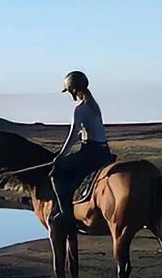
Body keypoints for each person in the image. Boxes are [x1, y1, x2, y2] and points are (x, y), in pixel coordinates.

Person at [49, 71, 114, 225]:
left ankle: (65, 213)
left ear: (72, 90)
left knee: (56, 173)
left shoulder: (80, 109)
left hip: (91, 153)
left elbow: (72, 137)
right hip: (104, 151)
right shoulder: (93, 104)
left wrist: (60, 156)